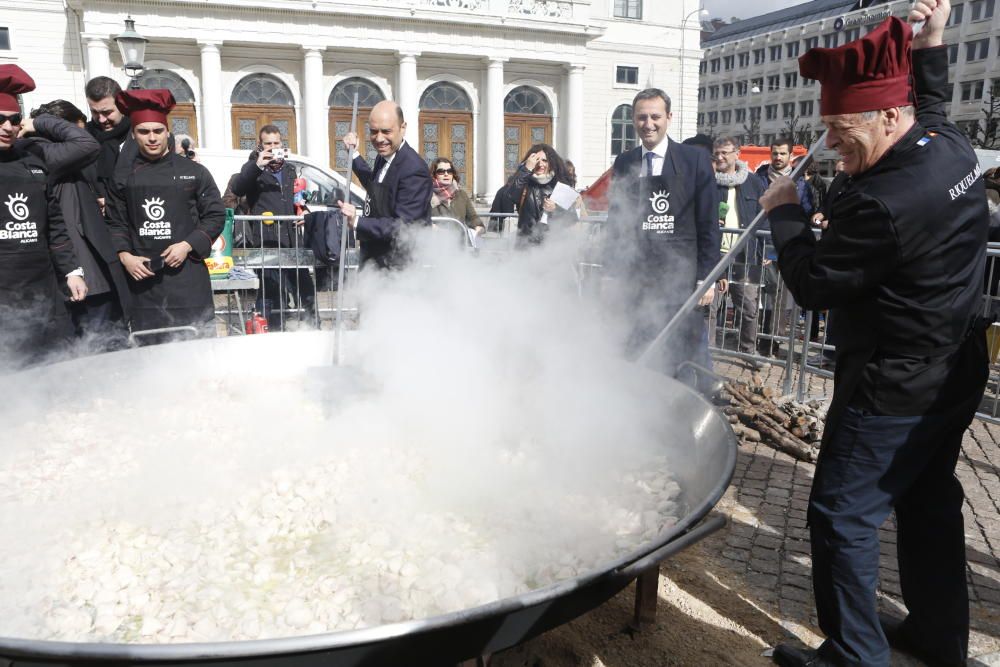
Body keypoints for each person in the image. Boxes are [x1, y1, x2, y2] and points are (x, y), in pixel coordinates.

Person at [761, 6, 990, 666]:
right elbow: (937, 96)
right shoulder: (948, 145)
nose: (832, 146)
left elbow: (812, 282)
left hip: (894, 383)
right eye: (828, 130)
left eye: (842, 130)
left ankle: (854, 655)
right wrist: (934, 41)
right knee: (927, 500)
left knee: (840, 516)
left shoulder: (879, 202)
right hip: (956, 364)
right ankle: (939, 638)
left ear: (890, 117)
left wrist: (784, 214)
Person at [604, 88, 720, 390]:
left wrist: (705, 278)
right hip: (637, 278)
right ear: (633, 121)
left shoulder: (694, 159)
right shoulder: (625, 161)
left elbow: (708, 223)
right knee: (638, 347)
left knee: (682, 352)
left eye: (655, 116)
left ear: (669, 117)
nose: (648, 123)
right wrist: (612, 274)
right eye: (642, 117)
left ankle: (684, 412)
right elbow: (617, 223)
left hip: (680, 279)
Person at [106, 89, 225, 342]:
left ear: (167, 132)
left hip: (187, 280)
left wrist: (187, 245)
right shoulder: (122, 177)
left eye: (157, 131)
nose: (152, 138)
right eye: (144, 132)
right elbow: (115, 222)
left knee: (197, 351)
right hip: (144, 285)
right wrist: (125, 257)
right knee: (151, 356)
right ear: (134, 134)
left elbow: (215, 215)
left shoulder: (195, 172)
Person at [20, 100, 130, 350]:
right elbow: (87, 144)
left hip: (87, 273)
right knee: (96, 349)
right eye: (76, 129)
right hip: (82, 276)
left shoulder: (57, 157)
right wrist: (39, 122)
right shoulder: (42, 151)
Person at [0, 65, 87, 371]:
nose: (7, 128)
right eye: (0, 120)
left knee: (50, 367)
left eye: (13, 120)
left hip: (42, 287)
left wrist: (72, 272)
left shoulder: (33, 158)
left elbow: (54, 225)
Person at [231, 124, 315, 328]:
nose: (273, 147)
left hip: (292, 237)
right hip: (266, 239)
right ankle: (272, 330)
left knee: (304, 285)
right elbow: (238, 187)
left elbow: (297, 198)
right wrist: (257, 165)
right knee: (271, 290)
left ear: (282, 143)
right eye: (268, 143)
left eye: (276, 143)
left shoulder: (289, 169)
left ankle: (314, 325)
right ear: (260, 145)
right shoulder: (252, 168)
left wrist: (304, 211)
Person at [337, 100, 432, 269]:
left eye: (386, 131)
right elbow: (376, 187)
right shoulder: (384, 157)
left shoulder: (414, 169)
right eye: (374, 132)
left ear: (403, 127)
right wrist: (354, 155)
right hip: (375, 261)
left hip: (399, 267)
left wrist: (358, 221)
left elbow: (403, 226)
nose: (379, 139)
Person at [707, 136, 767, 361]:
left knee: (749, 307)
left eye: (724, 153)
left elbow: (764, 215)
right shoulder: (708, 182)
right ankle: (708, 351)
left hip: (745, 255)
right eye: (716, 153)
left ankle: (748, 351)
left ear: (737, 154)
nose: (720, 157)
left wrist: (764, 247)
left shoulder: (752, 182)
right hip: (716, 255)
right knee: (710, 308)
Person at [501, 143, 578, 247]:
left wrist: (555, 209)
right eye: (537, 160)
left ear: (551, 162)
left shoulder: (560, 184)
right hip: (526, 245)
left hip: (552, 247)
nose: (540, 164)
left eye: (544, 160)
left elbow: (571, 218)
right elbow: (510, 196)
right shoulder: (524, 181)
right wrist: (526, 169)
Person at [84, 76, 134, 209]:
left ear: (122, 105)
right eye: (94, 112)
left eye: (107, 112)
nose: (101, 119)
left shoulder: (139, 134)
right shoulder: (83, 136)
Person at [428, 156, 483, 236]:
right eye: (441, 171)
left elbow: (472, 217)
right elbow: (419, 219)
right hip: (435, 243)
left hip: (458, 243)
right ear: (434, 174)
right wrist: (432, 227)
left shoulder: (461, 194)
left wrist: (478, 227)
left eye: (449, 171)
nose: (446, 174)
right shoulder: (426, 194)